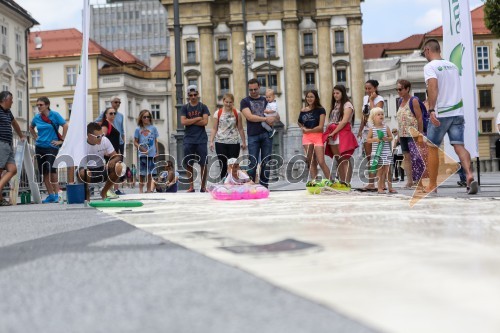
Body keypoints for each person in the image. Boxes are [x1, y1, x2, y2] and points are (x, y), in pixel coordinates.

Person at [421, 38, 478, 194]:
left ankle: (432, 185)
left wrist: (431, 110)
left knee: (432, 147)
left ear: (427, 50)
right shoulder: (452, 66)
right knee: (459, 146)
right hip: (457, 112)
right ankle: (470, 175)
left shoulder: (430, 66)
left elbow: (433, 87)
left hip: (441, 113)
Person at [240, 79, 278, 188]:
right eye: (251, 90)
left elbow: (276, 115)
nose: (253, 91)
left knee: (267, 161)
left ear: (259, 87)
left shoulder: (266, 99)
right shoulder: (245, 101)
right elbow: (249, 117)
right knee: (253, 161)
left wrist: (274, 118)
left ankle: (264, 185)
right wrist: (265, 119)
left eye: (255, 89)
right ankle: (250, 185)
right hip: (253, 135)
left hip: (267, 134)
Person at [29, 97, 68, 203]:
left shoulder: (55, 115)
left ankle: (57, 194)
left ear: (47, 105)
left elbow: (65, 125)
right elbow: (31, 127)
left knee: (52, 170)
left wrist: (62, 140)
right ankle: (51, 195)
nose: (38, 107)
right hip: (39, 146)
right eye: (37, 105)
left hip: (52, 146)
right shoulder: (37, 117)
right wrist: (35, 137)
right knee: (44, 172)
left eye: (41, 104)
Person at [78, 122, 124, 201]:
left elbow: (117, 156)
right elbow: (77, 165)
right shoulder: (81, 144)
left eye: (102, 135)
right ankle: (87, 194)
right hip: (86, 171)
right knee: (84, 172)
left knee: (119, 167)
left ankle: (104, 192)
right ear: (89, 136)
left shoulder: (104, 140)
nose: (101, 138)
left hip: (100, 168)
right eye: (98, 136)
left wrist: (112, 161)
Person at [324, 85, 358, 185]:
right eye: (334, 93)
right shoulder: (335, 104)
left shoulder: (347, 104)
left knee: (345, 159)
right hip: (333, 133)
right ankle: (342, 182)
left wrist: (334, 132)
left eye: (337, 93)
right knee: (338, 159)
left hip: (342, 133)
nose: (335, 95)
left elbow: (344, 122)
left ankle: (347, 182)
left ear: (343, 93)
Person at [209, 93, 246, 182]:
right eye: (226, 102)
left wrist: (244, 141)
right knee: (223, 164)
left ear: (233, 102)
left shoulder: (237, 113)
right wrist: (211, 141)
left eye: (230, 102)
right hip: (220, 141)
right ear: (223, 101)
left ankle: (233, 181)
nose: (228, 104)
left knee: (233, 164)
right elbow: (214, 128)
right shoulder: (218, 113)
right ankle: (224, 182)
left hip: (234, 142)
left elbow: (240, 128)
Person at [395, 79, 425, 189]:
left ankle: (419, 181)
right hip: (403, 134)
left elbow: (419, 117)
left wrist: (420, 133)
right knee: (406, 157)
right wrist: (398, 134)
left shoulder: (414, 101)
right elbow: (400, 119)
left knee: (416, 157)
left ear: (407, 89)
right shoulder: (399, 101)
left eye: (400, 89)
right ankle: (410, 181)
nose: (398, 91)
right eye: (397, 89)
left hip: (413, 133)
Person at [181, 85, 210, 192]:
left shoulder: (203, 106)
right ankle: (191, 186)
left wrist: (191, 120)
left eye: (195, 95)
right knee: (189, 163)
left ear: (198, 94)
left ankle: (203, 186)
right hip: (189, 139)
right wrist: (198, 118)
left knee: (203, 163)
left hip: (201, 138)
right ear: (188, 96)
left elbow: (205, 122)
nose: (193, 97)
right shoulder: (185, 107)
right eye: (190, 95)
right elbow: (183, 122)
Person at [357, 79, 384, 191]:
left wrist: (372, 100)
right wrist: (360, 129)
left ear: (375, 88)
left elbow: (375, 114)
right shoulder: (364, 98)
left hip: (376, 130)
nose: (367, 91)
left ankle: (380, 183)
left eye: (370, 88)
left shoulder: (380, 99)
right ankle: (371, 183)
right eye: (366, 88)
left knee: (376, 157)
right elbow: (365, 115)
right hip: (367, 130)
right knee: (369, 158)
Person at [95, 96, 125, 195]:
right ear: (111, 103)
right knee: (113, 168)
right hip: (109, 148)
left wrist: (122, 141)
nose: (118, 104)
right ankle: (108, 189)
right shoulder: (105, 121)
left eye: (119, 102)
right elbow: (101, 134)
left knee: (117, 167)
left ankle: (114, 189)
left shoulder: (120, 116)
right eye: (116, 102)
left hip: (118, 144)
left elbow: (121, 130)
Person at [298, 90, 330, 181]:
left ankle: (331, 181)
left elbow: (320, 127)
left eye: (312, 97)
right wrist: (302, 128)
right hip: (307, 138)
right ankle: (314, 182)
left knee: (321, 161)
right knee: (311, 161)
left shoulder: (320, 110)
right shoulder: (303, 110)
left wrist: (308, 130)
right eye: (308, 97)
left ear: (316, 98)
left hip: (318, 136)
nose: (309, 99)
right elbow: (299, 122)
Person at [0, 91, 25, 206]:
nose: (13, 102)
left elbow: (14, 123)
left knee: (13, 169)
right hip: (1, 143)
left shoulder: (8, 112)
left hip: (8, 145)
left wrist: (21, 135)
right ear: (5, 100)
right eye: (11, 99)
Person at [366, 107, 396, 194]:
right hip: (377, 153)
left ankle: (390, 187)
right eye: (378, 114)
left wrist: (386, 138)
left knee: (388, 171)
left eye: (382, 114)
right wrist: (375, 139)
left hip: (386, 152)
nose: (381, 116)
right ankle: (379, 188)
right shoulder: (372, 129)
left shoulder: (386, 127)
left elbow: (391, 138)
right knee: (380, 170)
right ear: (373, 117)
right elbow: (368, 139)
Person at [134, 109, 159, 194]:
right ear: (141, 118)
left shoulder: (153, 128)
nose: (146, 118)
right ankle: (140, 189)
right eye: (144, 117)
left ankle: (148, 189)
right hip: (142, 154)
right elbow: (135, 142)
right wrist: (141, 148)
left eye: (148, 117)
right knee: (142, 173)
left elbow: (156, 141)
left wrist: (157, 152)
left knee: (150, 173)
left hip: (152, 154)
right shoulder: (138, 129)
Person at [101, 107, 122, 197]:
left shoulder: (112, 124)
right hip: (109, 152)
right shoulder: (105, 123)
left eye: (114, 113)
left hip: (114, 152)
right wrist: (104, 150)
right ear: (106, 115)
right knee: (111, 170)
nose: (113, 115)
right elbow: (102, 137)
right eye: (110, 113)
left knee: (114, 170)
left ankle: (110, 189)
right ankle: (107, 190)